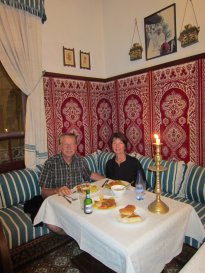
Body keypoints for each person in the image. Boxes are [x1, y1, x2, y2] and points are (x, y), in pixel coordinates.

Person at [39, 132, 104, 234]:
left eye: (72, 144)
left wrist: (107, 180)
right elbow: (43, 192)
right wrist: (57, 190)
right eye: (65, 144)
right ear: (60, 146)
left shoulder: (80, 160)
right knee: (52, 225)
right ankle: (75, 234)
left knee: (97, 208)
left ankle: (82, 232)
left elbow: (89, 174)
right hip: (60, 201)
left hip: (76, 201)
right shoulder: (50, 163)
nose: (69, 147)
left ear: (76, 146)